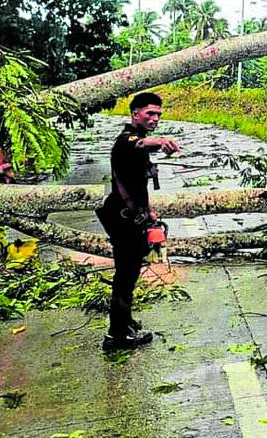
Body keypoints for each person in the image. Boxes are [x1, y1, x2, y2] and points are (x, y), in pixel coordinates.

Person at [96, 91, 181, 351]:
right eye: (149, 114)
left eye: (158, 114)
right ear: (135, 114)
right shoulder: (127, 140)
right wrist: (161, 142)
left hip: (131, 215)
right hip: (122, 218)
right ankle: (117, 336)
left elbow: (136, 184)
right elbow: (140, 144)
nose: (154, 118)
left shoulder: (137, 139)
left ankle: (126, 323)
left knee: (130, 273)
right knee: (126, 275)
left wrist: (150, 212)